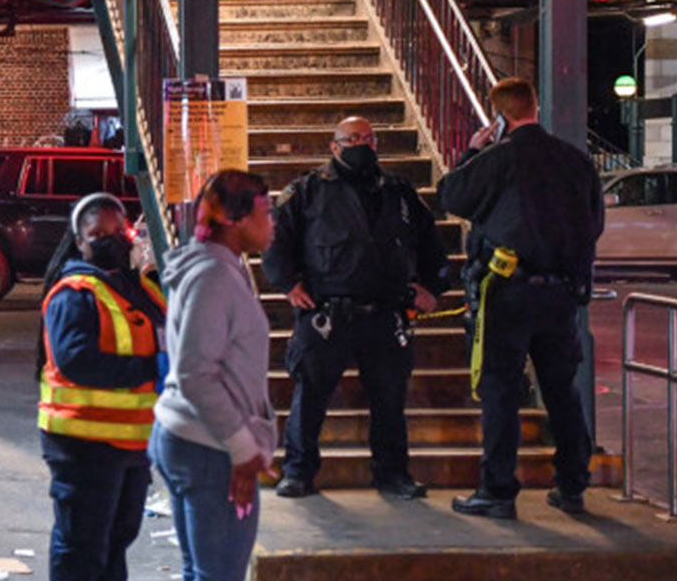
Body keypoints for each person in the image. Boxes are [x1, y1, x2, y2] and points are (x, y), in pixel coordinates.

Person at [439, 78, 603, 520]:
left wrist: (472, 151)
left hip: (508, 292)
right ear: (535, 107)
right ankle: (572, 484)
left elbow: (452, 196)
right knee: (562, 390)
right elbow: (594, 224)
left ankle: (497, 490)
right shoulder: (576, 161)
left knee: (500, 390)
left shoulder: (497, 158)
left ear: (499, 118)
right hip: (560, 294)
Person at [262, 116, 448, 500]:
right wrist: (287, 284)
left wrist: (431, 287)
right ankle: (298, 472)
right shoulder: (308, 191)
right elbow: (274, 240)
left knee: (390, 400)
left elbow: (430, 241)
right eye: (352, 139)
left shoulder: (398, 192)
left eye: (368, 138)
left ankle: (393, 474)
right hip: (327, 312)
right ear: (334, 146)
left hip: (385, 311)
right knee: (310, 398)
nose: (361, 145)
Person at [151, 170, 278, 581]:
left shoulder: (217, 268)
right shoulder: (214, 276)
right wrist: (241, 446)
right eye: (265, 212)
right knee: (218, 574)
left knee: (204, 572)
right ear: (235, 220)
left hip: (197, 440)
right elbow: (195, 372)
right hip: (208, 446)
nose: (272, 222)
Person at [38, 192, 166, 581]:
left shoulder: (140, 289)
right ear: (79, 242)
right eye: (98, 234)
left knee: (116, 541)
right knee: (82, 548)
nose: (111, 240)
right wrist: (150, 368)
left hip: (132, 443)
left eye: (117, 231)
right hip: (83, 442)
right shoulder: (75, 293)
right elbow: (76, 361)